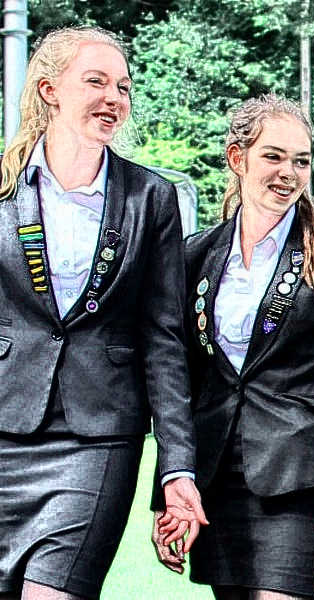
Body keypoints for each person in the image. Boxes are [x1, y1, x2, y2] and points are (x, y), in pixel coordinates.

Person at [0, 26, 205, 600]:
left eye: (123, 87)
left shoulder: (151, 197)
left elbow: (165, 340)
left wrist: (177, 468)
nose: (114, 98)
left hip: (98, 440)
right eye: (96, 82)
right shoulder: (2, 187)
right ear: (49, 90)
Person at [150, 94, 314, 600]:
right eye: (273, 156)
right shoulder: (195, 255)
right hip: (214, 482)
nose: (288, 173)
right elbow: (178, 385)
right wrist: (170, 491)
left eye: (301, 161)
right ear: (238, 158)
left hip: (298, 483)